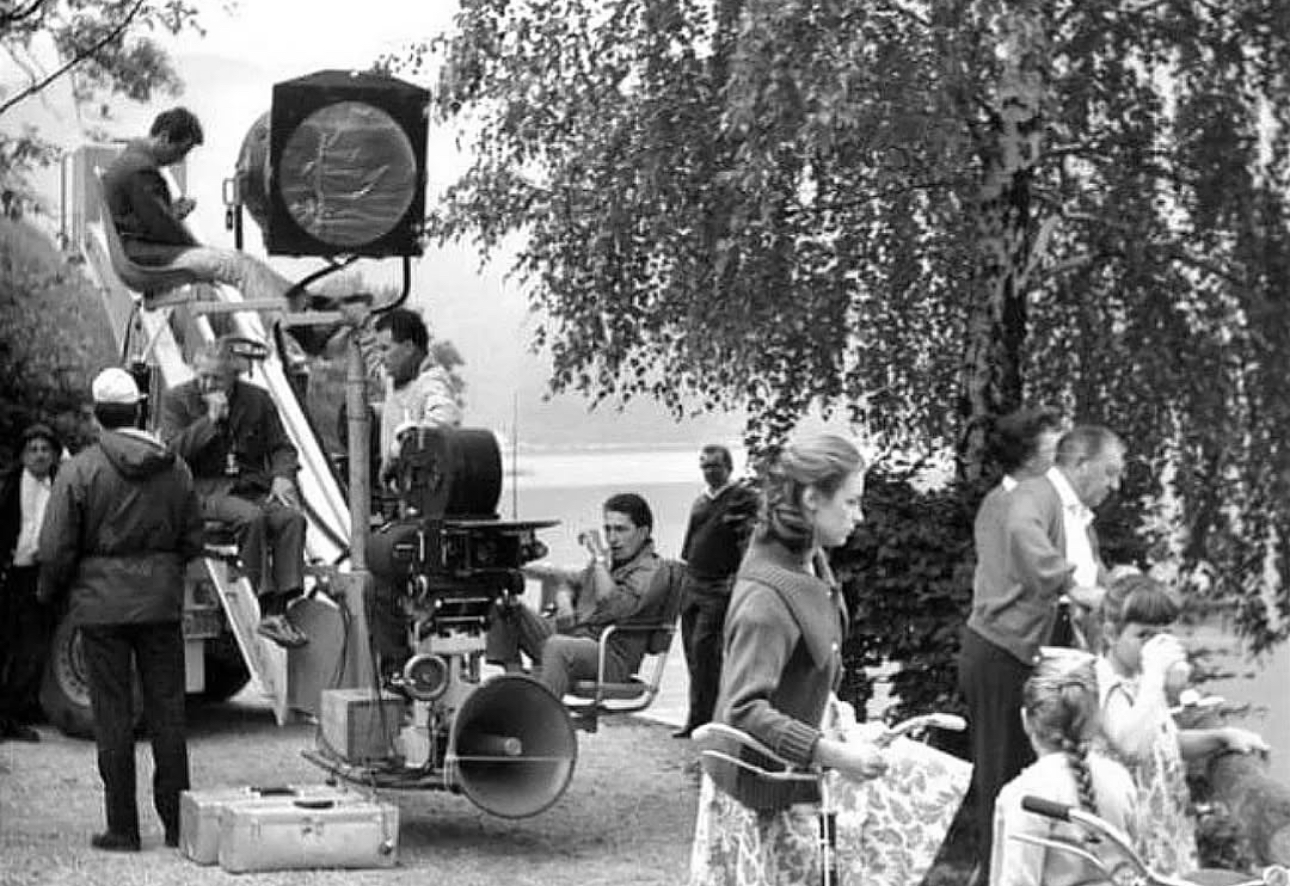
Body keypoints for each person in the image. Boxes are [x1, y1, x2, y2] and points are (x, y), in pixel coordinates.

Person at [690, 435, 888, 886]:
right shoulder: (767, 597)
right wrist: (834, 753)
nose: (859, 516)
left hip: (789, 778)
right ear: (812, 499)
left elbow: (810, 667)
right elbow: (743, 709)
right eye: (851, 502)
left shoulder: (809, 560)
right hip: (761, 791)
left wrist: (840, 723)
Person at [36, 368, 202, 852]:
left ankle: (123, 829)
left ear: (96, 415)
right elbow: (193, 538)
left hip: (101, 607)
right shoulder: (176, 467)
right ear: (139, 409)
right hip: (160, 604)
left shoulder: (80, 469)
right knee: (168, 713)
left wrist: (51, 592)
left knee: (112, 716)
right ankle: (178, 825)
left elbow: (55, 546)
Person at [958, 424, 1124, 882]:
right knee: (1004, 786)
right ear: (1082, 465)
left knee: (1039, 786)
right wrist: (1071, 584)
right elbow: (1023, 533)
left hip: (1035, 655)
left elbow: (1092, 575)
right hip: (1003, 651)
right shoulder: (1032, 495)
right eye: (1109, 472)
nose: (1115, 485)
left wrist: (1115, 588)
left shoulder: (1074, 512)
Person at [101, 106, 344, 323]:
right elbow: (163, 228)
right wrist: (198, 250)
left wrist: (172, 213)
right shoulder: (140, 171)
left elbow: (146, 218)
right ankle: (293, 326)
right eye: (180, 151)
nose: (180, 160)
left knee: (243, 262)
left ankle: (303, 302)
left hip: (142, 252)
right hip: (146, 258)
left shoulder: (130, 161)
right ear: (164, 137)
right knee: (240, 266)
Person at [1096, 572, 1268, 877]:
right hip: (1129, 841)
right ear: (1111, 634)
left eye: (1162, 635)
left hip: (1164, 829)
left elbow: (1163, 743)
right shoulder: (1105, 682)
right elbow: (1132, 746)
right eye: (1143, 636)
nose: (1154, 646)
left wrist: (1221, 737)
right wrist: (1155, 675)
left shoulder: (1139, 679)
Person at [160, 339, 309, 648]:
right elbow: (172, 454)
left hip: (248, 487)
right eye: (202, 376)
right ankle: (266, 603)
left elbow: (282, 447)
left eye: (216, 379)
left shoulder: (258, 400)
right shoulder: (177, 400)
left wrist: (282, 477)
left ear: (233, 378)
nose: (207, 385)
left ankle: (281, 606)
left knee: (291, 519)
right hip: (203, 492)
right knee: (250, 518)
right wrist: (209, 422)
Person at [485, 493, 663, 699]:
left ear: (642, 532)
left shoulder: (649, 571)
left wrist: (598, 557)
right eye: (608, 529)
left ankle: (544, 710)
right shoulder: (610, 559)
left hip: (611, 657)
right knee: (505, 607)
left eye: (621, 530)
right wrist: (564, 598)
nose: (612, 538)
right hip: (575, 638)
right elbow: (574, 581)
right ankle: (516, 685)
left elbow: (612, 604)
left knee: (558, 646)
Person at [991, 649, 1138, 886]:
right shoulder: (1119, 778)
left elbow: (1018, 880)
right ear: (1094, 723)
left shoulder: (1025, 794)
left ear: (1026, 720)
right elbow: (1135, 863)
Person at [674, 444, 759, 739]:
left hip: (718, 588)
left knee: (706, 653)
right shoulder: (701, 502)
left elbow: (748, 543)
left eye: (714, 466)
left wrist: (738, 580)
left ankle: (709, 720)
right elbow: (689, 547)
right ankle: (696, 718)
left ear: (728, 467)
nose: (709, 472)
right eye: (705, 466)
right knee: (692, 654)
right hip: (693, 586)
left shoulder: (742, 499)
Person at [0, 423, 62, 741]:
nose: (39, 455)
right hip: (9, 574)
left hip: (40, 577)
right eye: (33, 450)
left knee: (32, 648)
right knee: (6, 645)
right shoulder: (9, 485)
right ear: (23, 455)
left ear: (54, 455)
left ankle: (16, 713)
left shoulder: (61, 485)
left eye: (45, 450)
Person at [372, 308, 463, 488]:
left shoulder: (431, 382)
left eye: (385, 349)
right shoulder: (394, 376)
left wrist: (399, 451)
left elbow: (446, 419)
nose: (380, 357)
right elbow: (372, 365)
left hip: (417, 495)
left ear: (408, 348)